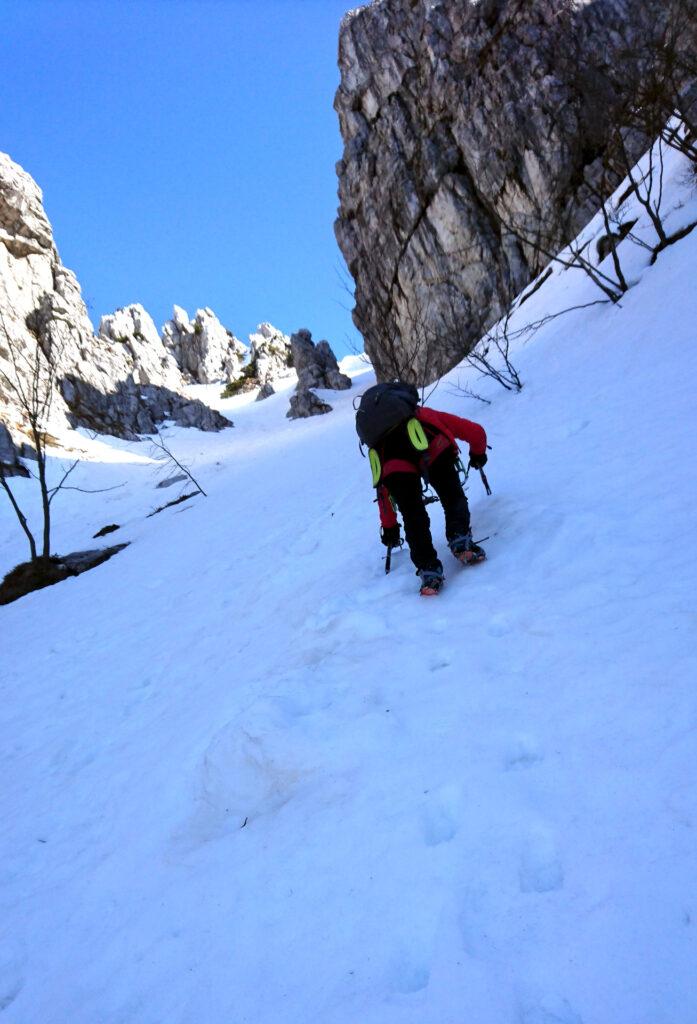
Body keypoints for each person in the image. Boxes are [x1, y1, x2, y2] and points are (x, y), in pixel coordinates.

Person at [369, 398, 489, 595]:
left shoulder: (380, 441)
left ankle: (428, 569)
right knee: (451, 495)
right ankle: (460, 540)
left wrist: (390, 527)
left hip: (394, 461)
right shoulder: (424, 415)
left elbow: (383, 493)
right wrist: (478, 454)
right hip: (432, 445)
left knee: (412, 515)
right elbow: (475, 431)